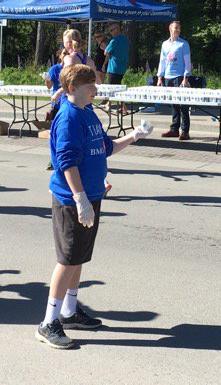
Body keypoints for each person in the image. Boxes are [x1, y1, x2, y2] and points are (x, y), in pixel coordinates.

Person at [36, 64, 153, 349]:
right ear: (72, 88)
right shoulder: (68, 117)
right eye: (91, 86)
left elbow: (106, 148)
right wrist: (79, 198)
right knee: (67, 259)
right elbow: (67, 162)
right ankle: (48, 322)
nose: (96, 90)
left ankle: (69, 311)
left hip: (90, 196)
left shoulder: (87, 111)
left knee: (78, 256)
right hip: (71, 200)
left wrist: (134, 136)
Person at [157, 20, 192, 140]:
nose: (177, 30)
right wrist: (160, 77)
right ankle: (174, 130)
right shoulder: (164, 44)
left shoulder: (183, 44)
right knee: (174, 105)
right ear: (170, 29)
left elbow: (187, 62)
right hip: (168, 77)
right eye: (175, 27)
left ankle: (185, 131)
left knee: (183, 105)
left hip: (180, 77)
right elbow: (162, 61)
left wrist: (185, 78)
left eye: (179, 28)